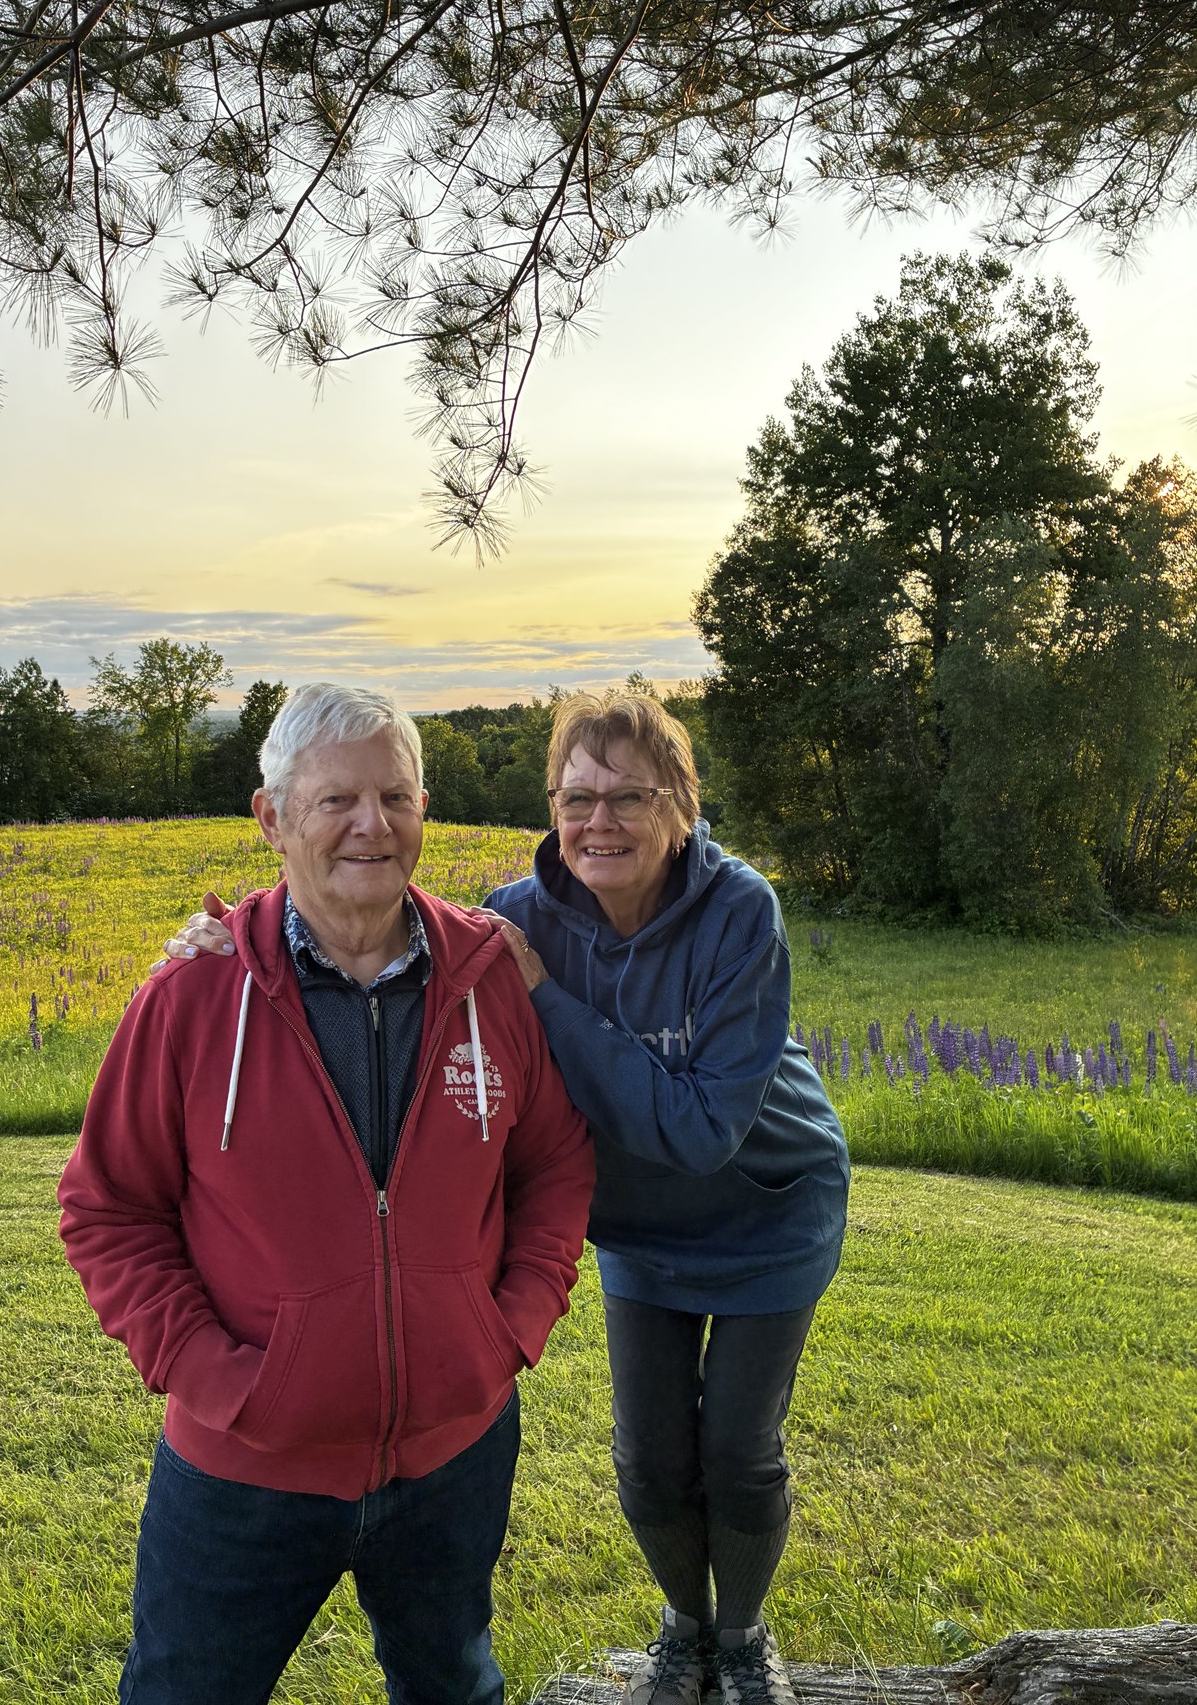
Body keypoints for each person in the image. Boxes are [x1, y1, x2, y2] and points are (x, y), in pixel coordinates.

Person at [162, 690, 849, 1705]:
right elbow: (380, 911)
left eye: (628, 797)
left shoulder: (738, 910)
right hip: (636, 1227)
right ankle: (685, 1630)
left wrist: (548, 999)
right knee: (653, 1461)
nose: (598, 822)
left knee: (738, 1451)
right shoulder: (519, 916)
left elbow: (705, 1133)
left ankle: (742, 1637)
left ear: (680, 808)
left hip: (766, 1208)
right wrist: (227, 942)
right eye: (577, 798)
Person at [59, 682, 594, 1705]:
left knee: (455, 1685)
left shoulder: (488, 978)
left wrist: (505, 1330)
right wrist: (216, 1376)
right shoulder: (192, 996)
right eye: (337, 799)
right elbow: (108, 1209)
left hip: (454, 1455)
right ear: (272, 818)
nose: (371, 825)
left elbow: (556, 1165)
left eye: (395, 797)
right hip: (243, 1468)